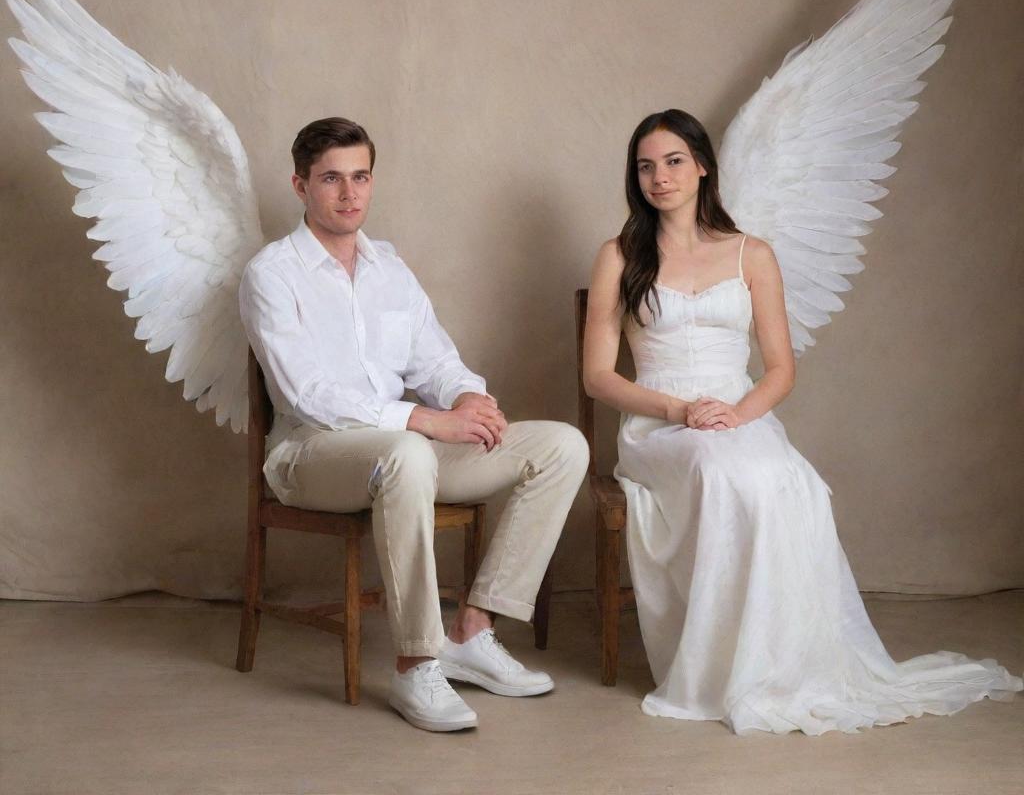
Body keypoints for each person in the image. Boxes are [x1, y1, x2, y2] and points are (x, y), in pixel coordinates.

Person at [583, 109, 1022, 735]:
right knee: (717, 470)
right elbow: (598, 376)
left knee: (793, 484)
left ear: (702, 166)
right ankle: (719, 670)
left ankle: (780, 667)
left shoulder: (751, 254)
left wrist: (734, 415)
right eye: (645, 165)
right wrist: (681, 411)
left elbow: (781, 370)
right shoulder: (619, 255)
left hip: (738, 415)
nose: (660, 177)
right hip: (658, 425)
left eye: (674, 161)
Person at [239, 117, 589, 732]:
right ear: (300, 185)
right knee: (408, 450)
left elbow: (437, 361)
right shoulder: (271, 273)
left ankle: (474, 631)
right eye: (331, 179)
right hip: (310, 455)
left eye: (361, 177)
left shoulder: (390, 269)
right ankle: (415, 664)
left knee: (561, 445)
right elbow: (308, 393)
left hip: (405, 451)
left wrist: (470, 401)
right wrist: (427, 419)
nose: (349, 194)